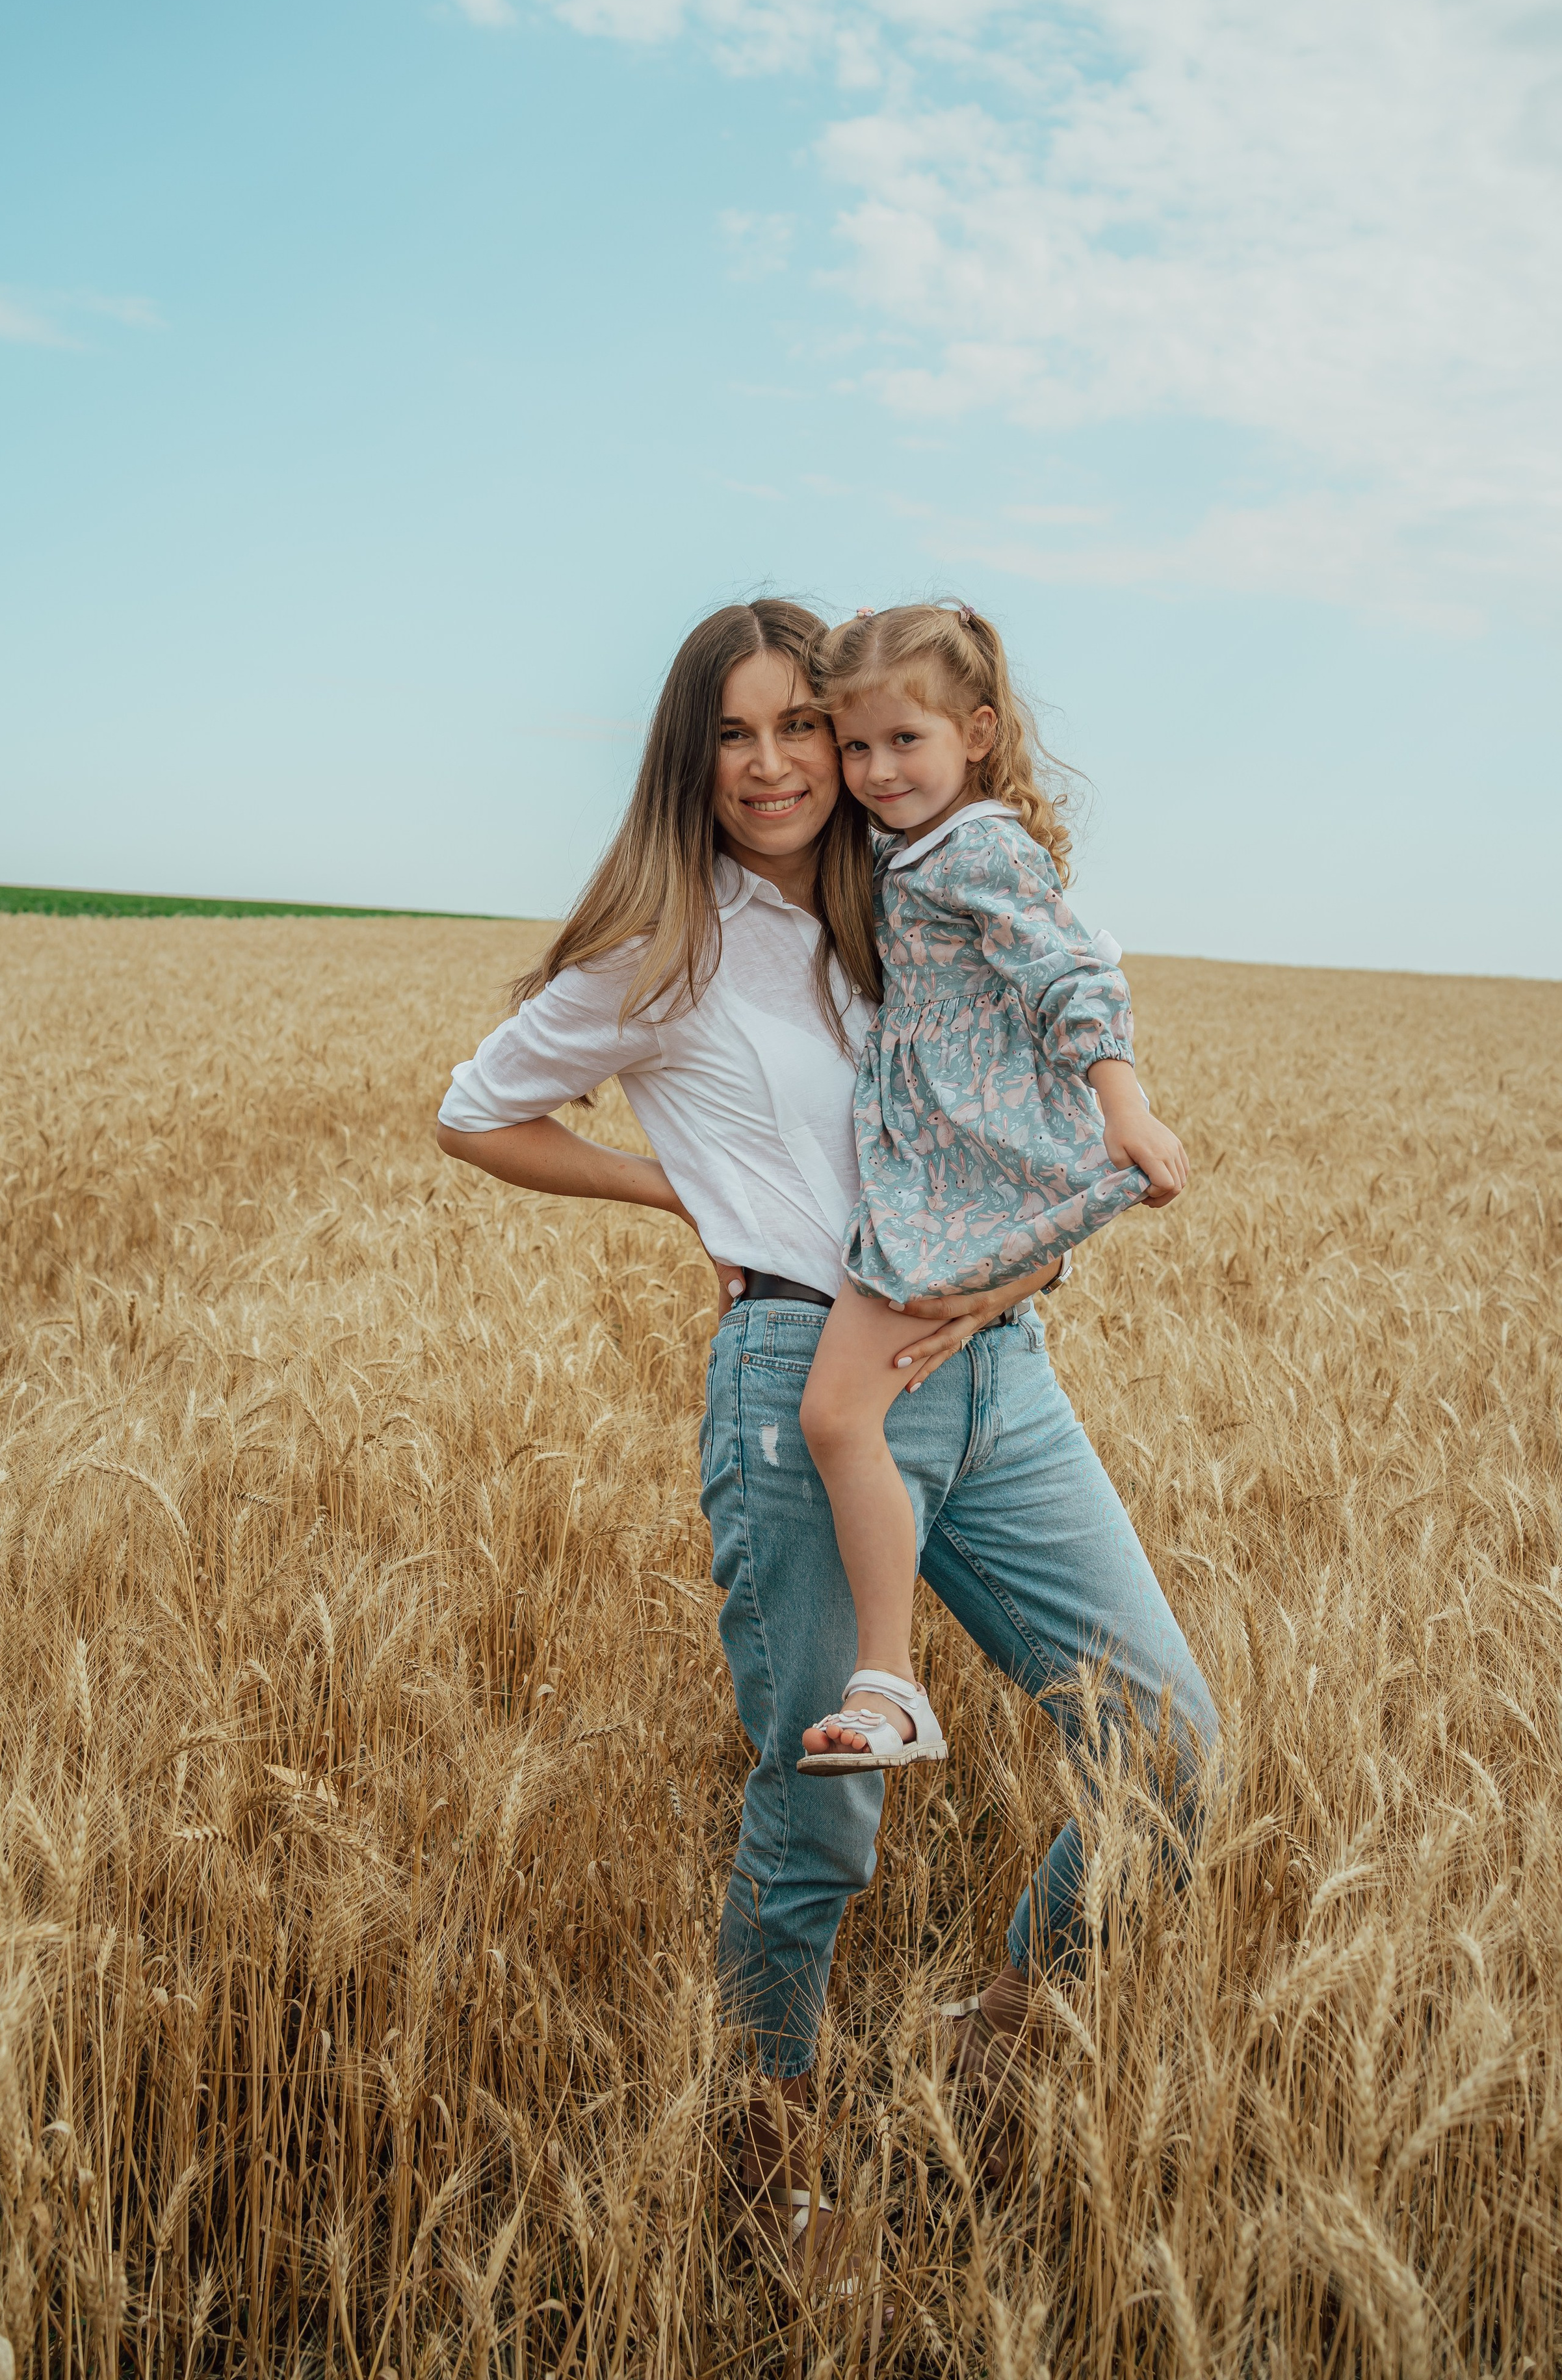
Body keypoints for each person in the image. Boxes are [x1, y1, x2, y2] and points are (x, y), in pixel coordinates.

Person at [434, 598, 1218, 2295]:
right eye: (738, 733)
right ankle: (764, 2165)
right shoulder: (664, 948)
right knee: (826, 1815)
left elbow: (1014, 1108)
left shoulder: (919, 896)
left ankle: (1002, 2037)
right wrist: (682, 1192)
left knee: (1162, 1744)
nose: (782, 763)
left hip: (997, 1359)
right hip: (808, 1367)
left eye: (810, 725)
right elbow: (475, 1112)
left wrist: (1045, 1237)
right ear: (689, 757)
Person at [794, 603, 1188, 1779]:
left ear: (976, 731)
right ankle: (889, 1679)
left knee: (832, 1415)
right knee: (841, 1415)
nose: (873, 772)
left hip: (963, 1174)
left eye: (903, 742)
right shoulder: (903, 846)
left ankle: (890, 1683)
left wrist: (1123, 1105)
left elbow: (1072, 974)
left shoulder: (979, 847)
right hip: (940, 1162)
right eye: (855, 748)